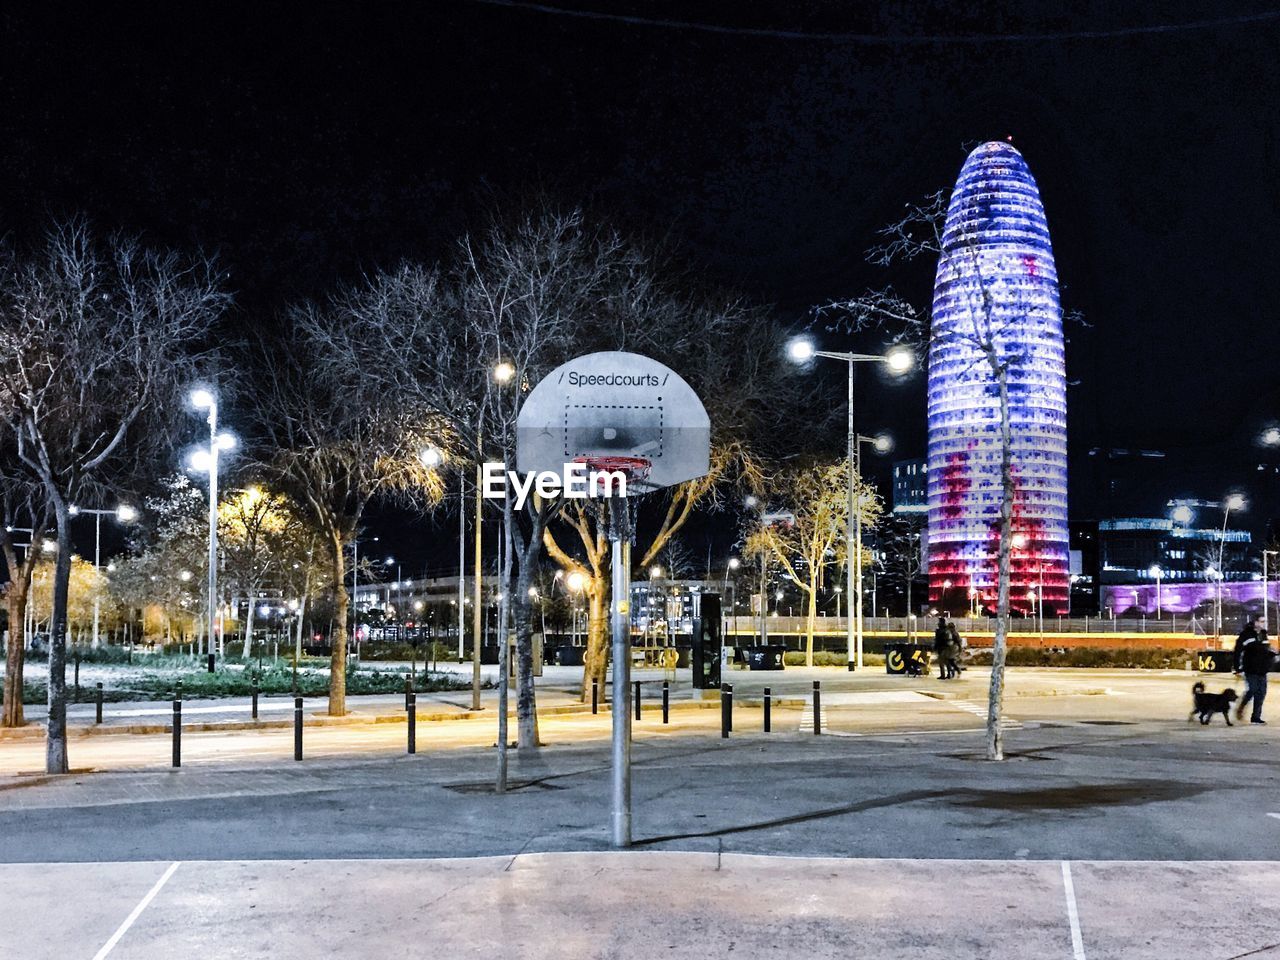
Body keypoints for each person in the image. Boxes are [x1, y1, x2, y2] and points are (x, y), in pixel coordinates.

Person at [1237, 627, 1274, 724]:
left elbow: (1266, 650)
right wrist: (1238, 667)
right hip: (1251, 669)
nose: (1264, 623)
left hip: (1262, 669)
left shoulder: (1264, 635)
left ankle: (1256, 717)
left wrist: (1272, 654)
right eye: (1261, 621)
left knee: (1261, 693)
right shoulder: (1247, 635)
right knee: (1252, 689)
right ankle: (1241, 707)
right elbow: (1239, 651)